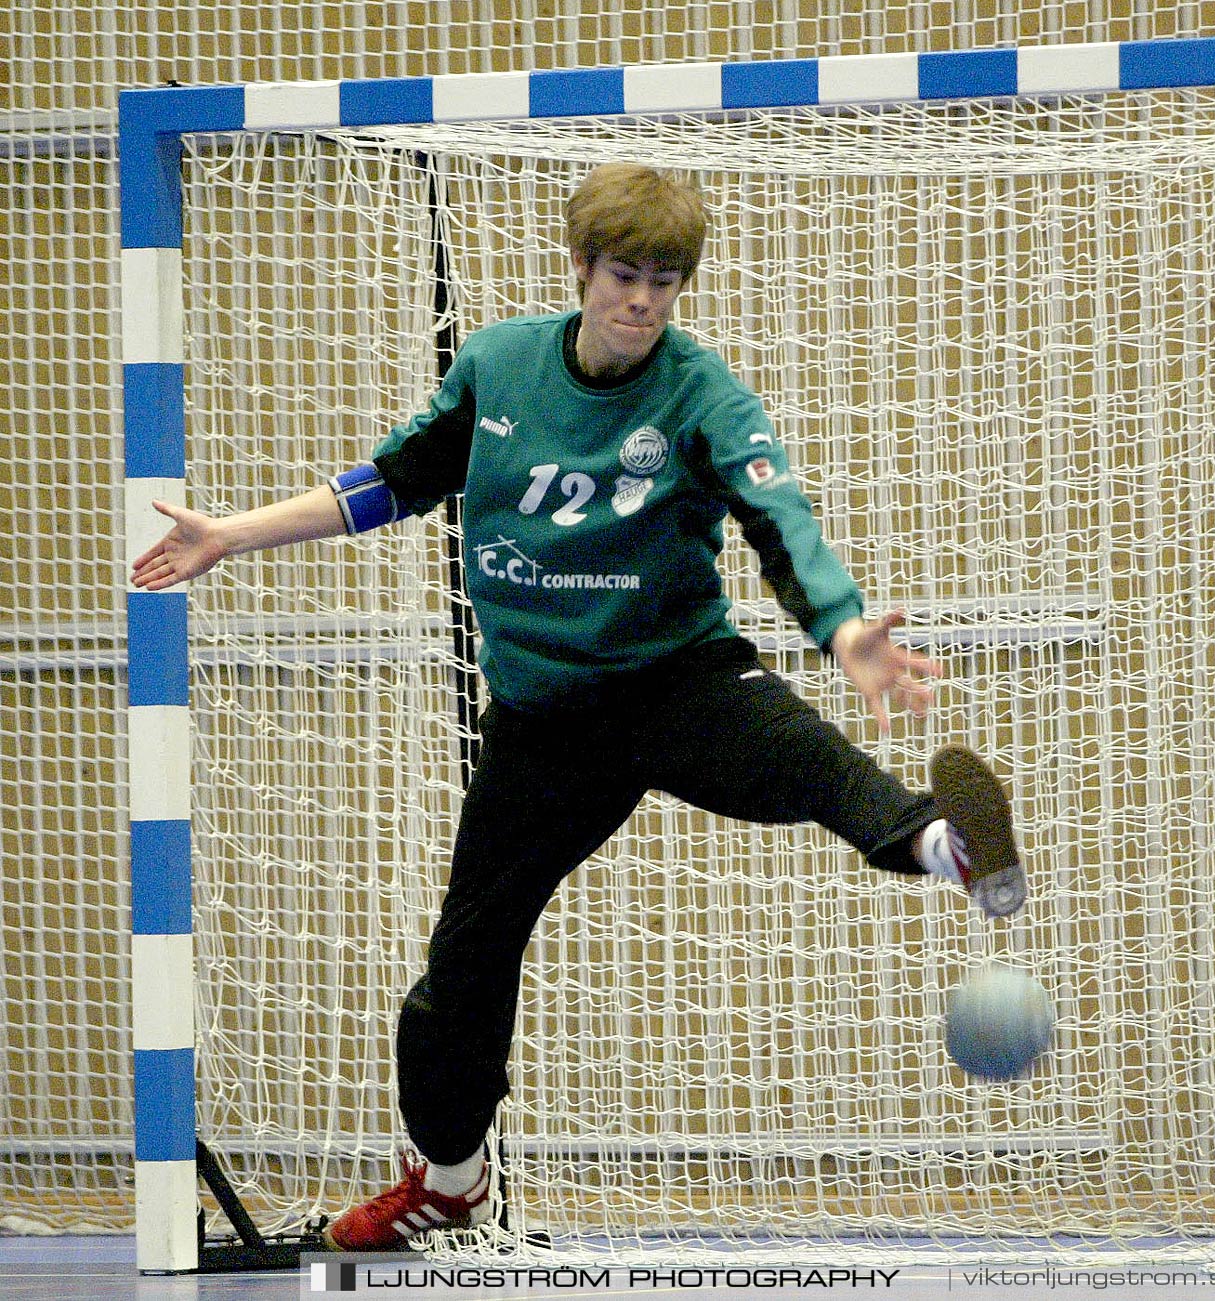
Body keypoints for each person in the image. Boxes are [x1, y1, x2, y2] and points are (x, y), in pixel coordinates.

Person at [129, 162, 1028, 1253]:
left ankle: (954, 846)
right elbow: (391, 481)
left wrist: (843, 631)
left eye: (664, 281)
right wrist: (230, 533)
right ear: (583, 270)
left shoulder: (703, 396)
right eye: (624, 275)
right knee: (458, 975)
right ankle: (449, 1183)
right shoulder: (501, 367)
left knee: (822, 771)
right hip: (544, 722)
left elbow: (779, 519)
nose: (642, 301)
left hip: (679, 681)